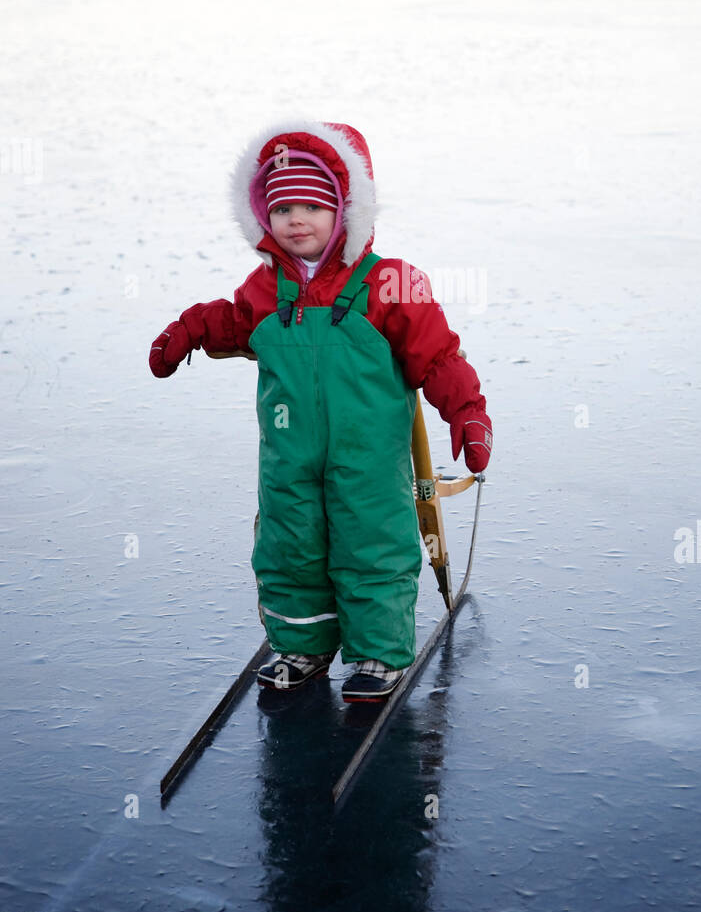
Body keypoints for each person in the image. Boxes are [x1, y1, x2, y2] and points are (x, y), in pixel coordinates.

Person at [149, 119, 492, 702]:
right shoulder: (266, 289)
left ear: (347, 210)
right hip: (289, 460)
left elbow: (437, 356)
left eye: (313, 205)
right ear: (264, 217)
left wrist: (466, 411)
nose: (297, 220)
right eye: (282, 209)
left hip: (368, 462)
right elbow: (233, 322)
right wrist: (191, 329)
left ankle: (377, 656)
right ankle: (302, 645)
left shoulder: (389, 284)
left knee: (372, 548)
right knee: (290, 548)